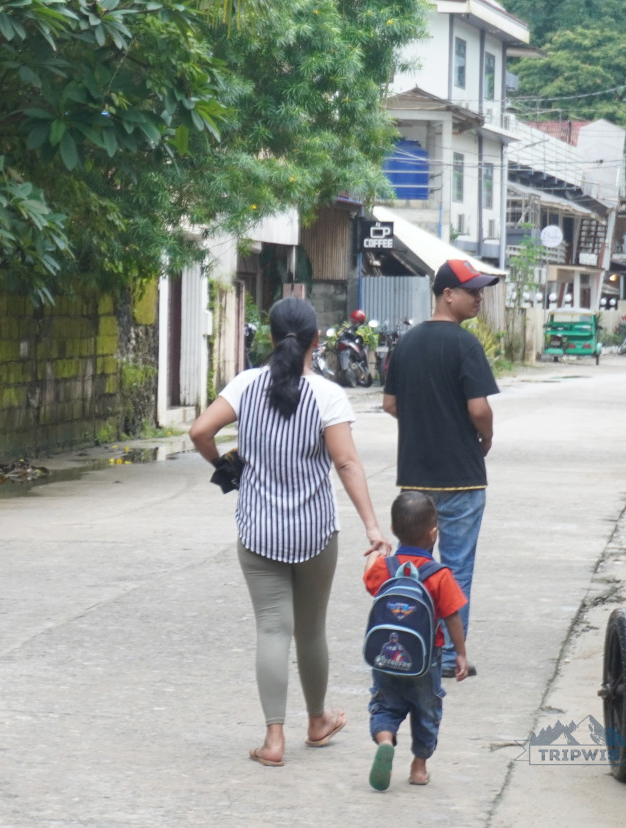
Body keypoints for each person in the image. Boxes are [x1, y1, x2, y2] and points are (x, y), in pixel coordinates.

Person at [189, 298, 391, 767]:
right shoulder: (327, 395)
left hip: (258, 530)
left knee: (272, 629)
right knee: (310, 629)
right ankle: (317, 721)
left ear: (272, 338)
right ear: (315, 341)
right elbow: (345, 461)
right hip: (315, 532)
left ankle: (273, 740)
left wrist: (224, 465)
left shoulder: (244, 386)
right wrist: (372, 525)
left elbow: (201, 430)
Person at [382, 259, 499, 677]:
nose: (479, 298)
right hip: (462, 479)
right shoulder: (466, 346)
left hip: (414, 479)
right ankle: (450, 656)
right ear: (447, 294)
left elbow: (390, 404)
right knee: (456, 569)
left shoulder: (406, 343)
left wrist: (424, 422)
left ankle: (402, 648)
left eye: (481, 291)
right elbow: (479, 408)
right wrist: (485, 437)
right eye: (472, 291)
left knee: (411, 566)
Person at [364, 491, 469, 790]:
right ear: (433, 532)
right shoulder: (439, 575)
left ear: (394, 530)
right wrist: (459, 654)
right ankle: (419, 767)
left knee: (384, 705)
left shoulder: (385, 568)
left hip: (386, 656)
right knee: (427, 712)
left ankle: (385, 740)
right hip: (426, 659)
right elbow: (452, 617)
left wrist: (376, 553)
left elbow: (369, 581)